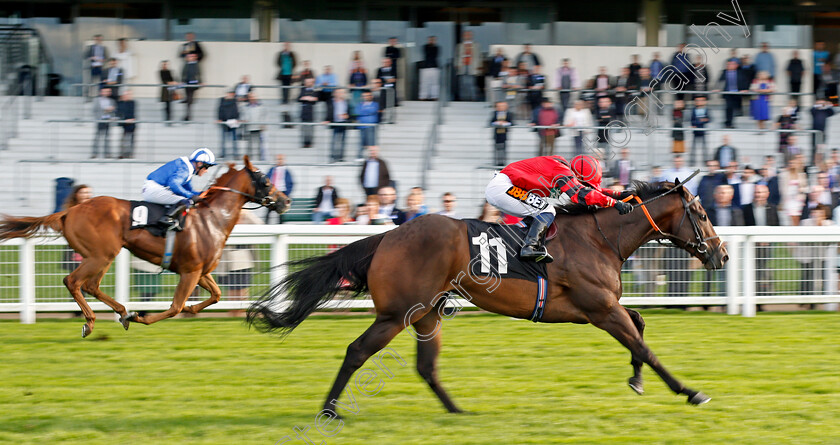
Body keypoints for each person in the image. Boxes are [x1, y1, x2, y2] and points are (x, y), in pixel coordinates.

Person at [485, 155, 632, 262]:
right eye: (586, 184)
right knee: (547, 210)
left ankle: (522, 243)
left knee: (539, 211)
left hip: (502, 186)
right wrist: (614, 203)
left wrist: (619, 194)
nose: (587, 187)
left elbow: (590, 191)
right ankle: (529, 248)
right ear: (579, 176)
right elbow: (581, 194)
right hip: (503, 187)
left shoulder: (564, 169)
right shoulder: (562, 171)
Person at [141, 148, 216, 231]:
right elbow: (174, 184)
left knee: (187, 199)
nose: (206, 171)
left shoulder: (187, 168)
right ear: (200, 164)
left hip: (153, 188)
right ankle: (167, 219)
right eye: (207, 167)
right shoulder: (185, 169)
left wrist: (202, 194)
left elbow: (188, 190)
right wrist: (191, 196)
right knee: (187, 201)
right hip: (153, 189)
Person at [62, 184, 92, 272]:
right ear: (76, 194)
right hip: (76, 245)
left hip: (90, 245)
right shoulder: (71, 210)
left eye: (88, 192)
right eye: (83, 193)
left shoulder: (93, 209)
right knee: (76, 272)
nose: (86, 195)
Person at [324, 88, 350, 163]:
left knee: (342, 141)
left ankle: (341, 157)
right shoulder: (331, 102)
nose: (340, 94)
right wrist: (327, 119)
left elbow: (349, 113)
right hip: (335, 123)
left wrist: (346, 116)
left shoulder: (346, 102)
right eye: (338, 93)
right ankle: (333, 156)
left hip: (343, 122)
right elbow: (329, 111)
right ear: (335, 93)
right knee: (334, 140)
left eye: (341, 93)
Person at [91, 87, 116, 159]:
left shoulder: (111, 101)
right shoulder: (96, 100)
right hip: (100, 120)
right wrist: (100, 117)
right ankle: (94, 153)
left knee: (107, 138)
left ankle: (107, 153)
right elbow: (94, 111)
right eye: (105, 91)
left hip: (108, 120)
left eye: (108, 91)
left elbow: (114, 111)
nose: (107, 93)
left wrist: (111, 115)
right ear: (101, 92)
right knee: (97, 137)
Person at [241, 92, 267, 161]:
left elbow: (263, 116)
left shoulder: (261, 106)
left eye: (253, 97)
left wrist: (263, 125)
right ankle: (248, 159)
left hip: (258, 127)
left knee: (259, 144)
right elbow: (243, 116)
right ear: (249, 98)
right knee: (249, 144)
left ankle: (260, 158)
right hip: (249, 127)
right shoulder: (245, 107)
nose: (252, 98)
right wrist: (244, 120)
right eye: (250, 97)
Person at [455, 31, 480, 101]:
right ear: (463, 36)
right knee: (462, 84)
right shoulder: (460, 45)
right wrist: (457, 65)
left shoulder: (476, 45)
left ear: (471, 36)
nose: (467, 36)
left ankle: (473, 98)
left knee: (471, 83)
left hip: (472, 65)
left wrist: (478, 66)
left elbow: (478, 56)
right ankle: (463, 98)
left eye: (469, 35)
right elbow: (457, 56)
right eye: (466, 35)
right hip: (462, 65)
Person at [356, 90, 380, 161]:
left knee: (371, 143)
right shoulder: (359, 104)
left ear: (371, 96)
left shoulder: (375, 104)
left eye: (367, 95)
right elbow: (358, 112)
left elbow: (373, 111)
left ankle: (372, 157)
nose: (366, 97)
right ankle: (359, 156)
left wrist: (364, 111)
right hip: (362, 126)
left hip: (371, 126)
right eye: (364, 96)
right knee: (361, 142)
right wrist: (367, 111)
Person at [216, 90, 240, 159]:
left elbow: (236, 111)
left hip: (232, 122)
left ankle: (236, 154)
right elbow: (220, 109)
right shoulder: (222, 100)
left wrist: (236, 119)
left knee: (234, 139)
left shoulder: (234, 101)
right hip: (224, 122)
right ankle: (223, 154)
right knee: (223, 139)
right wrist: (219, 118)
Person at [811, 99, 836, 164]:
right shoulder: (815, 111)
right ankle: (814, 162)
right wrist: (818, 105)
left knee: (821, 149)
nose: (821, 104)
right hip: (815, 132)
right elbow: (812, 109)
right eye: (820, 103)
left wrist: (828, 105)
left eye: (822, 103)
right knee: (815, 148)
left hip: (822, 133)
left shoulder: (825, 111)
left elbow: (832, 112)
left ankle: (821, 162)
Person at [690, 96, 711, 165]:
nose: (699, 102)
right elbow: (692, 120)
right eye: (697, 101)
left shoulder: (706, 109)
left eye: (701, 100)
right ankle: (692, 162)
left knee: (704, 148)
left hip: (703, 130)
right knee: (693, 148)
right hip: (695, 131)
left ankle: (705, 162)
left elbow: (708, 119)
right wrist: (701, 120)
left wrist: (698, 121)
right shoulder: (693, 110)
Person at [490, 101, 513, 167]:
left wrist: (505, 123)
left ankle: (503, 162)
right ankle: (497, 162)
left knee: (504, 148)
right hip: (497, 134)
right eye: (499, 106)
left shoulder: (509, 114)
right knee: (497, 148)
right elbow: (491, 122)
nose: (501, 107)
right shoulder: (494, 113)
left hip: (504, 133)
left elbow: (512, 122)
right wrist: (497, 123)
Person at [298, 77, 319, 148]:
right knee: (304, 129)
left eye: (310, 82)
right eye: (307, 82)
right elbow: (299, 98)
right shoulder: (302, 89)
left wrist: (306, 98)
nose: (308, 83)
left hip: (311, 112)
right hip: (304, 112)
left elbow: (315, 99)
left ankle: (309, 142)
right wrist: (308, 98)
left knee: (310, 129)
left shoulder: (314, 90)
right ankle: (304, 143)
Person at [117, 90, 137, 159]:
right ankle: (122, 153)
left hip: (131, 123)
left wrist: (130, 119)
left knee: (131, 139)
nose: (127, 96)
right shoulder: (120, 103)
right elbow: (120, 112)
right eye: (126, 95)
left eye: (128, 94)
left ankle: (130, 154)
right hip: (124, 123)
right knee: (124, 140)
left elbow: (131, 112)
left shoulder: (132, 102)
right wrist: (124, 120)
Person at [181, 53, 201, 121]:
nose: (190, 58)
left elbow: (199, 74)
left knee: (189, 97)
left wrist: (200, 81)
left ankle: (188, 115)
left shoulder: (196, 65)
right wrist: (182, 81)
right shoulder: (186, 64)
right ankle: (187, 114)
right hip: (187, 83)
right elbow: (183, 73)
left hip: (193, 83)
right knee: (188, 97)